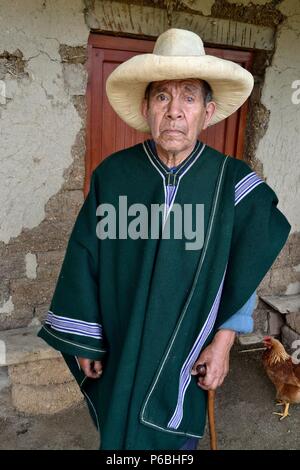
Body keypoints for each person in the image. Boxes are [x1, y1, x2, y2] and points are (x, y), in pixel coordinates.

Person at [38, 28, 290, 450]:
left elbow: (244, 269)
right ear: (146, 108)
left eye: (188, 97)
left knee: (172, 445)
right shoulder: (113, 177)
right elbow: (85, 259)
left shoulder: (233, 185)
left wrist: (225, 342)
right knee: (120, 440)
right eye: (162, 97)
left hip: (188, 354)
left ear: (207, 113)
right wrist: (87, 339)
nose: (174, 111)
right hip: (122, 341)